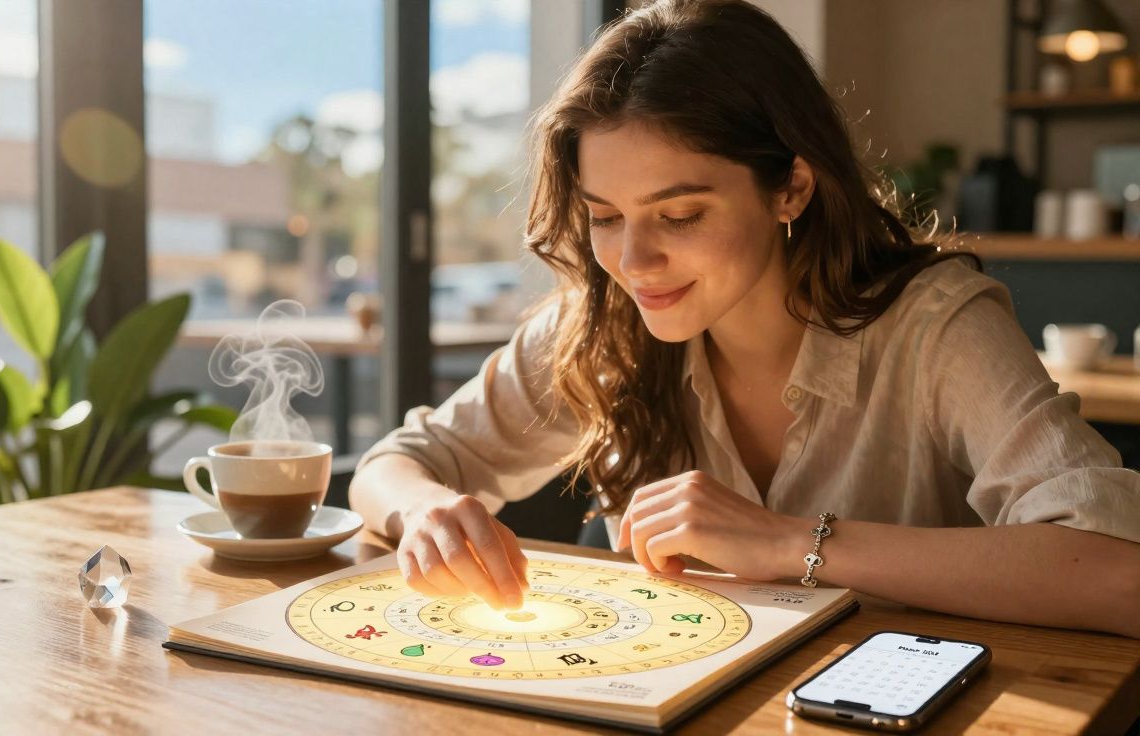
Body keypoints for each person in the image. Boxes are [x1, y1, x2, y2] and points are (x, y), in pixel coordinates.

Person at [348, 0, 1140, 637]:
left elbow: (1118, 572)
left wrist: (794, 543)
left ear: (791, 188)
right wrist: (426, 512)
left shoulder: (934, 327)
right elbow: (397, 462)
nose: (634, 261)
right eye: (605, 216)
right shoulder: (601, 326)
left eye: (681, 214)